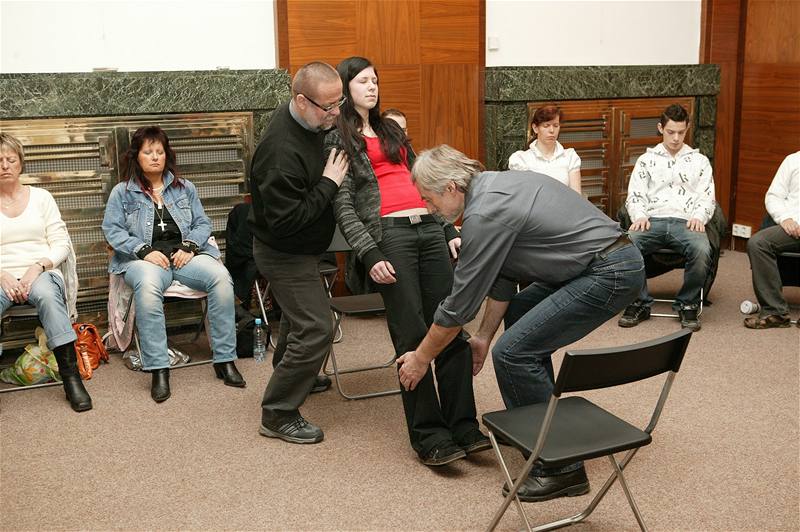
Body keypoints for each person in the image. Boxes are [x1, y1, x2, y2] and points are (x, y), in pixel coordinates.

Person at [396, 144, 644, 501]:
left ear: (451, 187)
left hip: (610, 271)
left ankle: (563, 469)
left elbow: (458, 308)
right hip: (598, 261)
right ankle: (540, 425)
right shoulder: (496, 185)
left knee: (513, 353)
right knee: (520, 315)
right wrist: (482, 336)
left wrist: (421, 358)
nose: (428, 208)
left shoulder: (485, 214)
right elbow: (502, 276)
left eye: (429, 199)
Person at [325, 57, 488, 466]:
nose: (372, 86)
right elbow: (343, 205)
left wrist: (449, 229)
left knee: (449, 322)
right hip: (389, 235)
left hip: (429, 228)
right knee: (412, 333)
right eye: (363, 81)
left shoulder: (391, 130)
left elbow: (426, 181)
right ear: (345, 87)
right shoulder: (337, 137)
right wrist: (370, 253)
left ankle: (464, 425)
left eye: (376, 80)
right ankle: (429, 435)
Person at [102, 126, 244, 403]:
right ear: (137, 156)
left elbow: (203, 223)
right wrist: (142, 250)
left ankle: (225, 360)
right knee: (148, 285)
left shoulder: (185, 188)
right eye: (148, 152)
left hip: (183, 257)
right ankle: (159, 368)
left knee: (221, 278)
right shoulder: (122, 192)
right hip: (144, 261)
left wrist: (190, 246)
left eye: (160, 151)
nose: (155, 157)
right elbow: (112, 230)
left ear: (167, 155)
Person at [249, 62, 349, 444]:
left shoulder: (308, 119)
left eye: (337, 102)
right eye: (328, 107)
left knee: (297, 318)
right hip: (282, 251)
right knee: (317, 328)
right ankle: (278, 411)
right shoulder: (279, 154)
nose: (335, 113)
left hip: (302, 248)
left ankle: (294, 372)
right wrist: (329, 182)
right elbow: (288, 223)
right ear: (301, 101)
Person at [0, 133, 91, 412]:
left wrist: (38, 266)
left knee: (50, 298)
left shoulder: (42, 198)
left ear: (20, 163)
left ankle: (71, 378)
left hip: (39, 272)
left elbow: (61, 243)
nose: (4, 165)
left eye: (10, 159)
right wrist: (2, 274)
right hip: (1, 276)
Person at [617, 103, 715, 331]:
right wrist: (639, 215)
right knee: (627, 245)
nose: (676, 138)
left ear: (687, 128)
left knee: (702, 250)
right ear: (660, 128)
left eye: (681, 132)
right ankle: (639, 302)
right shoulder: (646, 160)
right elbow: (635, 194)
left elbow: (708, 196)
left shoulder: (699, 161)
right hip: (652, 220)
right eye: (671, 132)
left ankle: (688, 303)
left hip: (686, 221)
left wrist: (700, 215)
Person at [745, 151, 800, 328]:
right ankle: (774, 311)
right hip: (792, 225)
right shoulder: (792, 161)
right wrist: (785, 218)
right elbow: (773, 196)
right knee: (758, 243)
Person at [507, 104, 582, 194]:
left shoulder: (570, 157)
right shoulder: (521, 159)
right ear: (535, 128)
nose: (552, 130)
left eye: (556, 125)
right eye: (546, 126)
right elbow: (521, 197)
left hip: (563, 206)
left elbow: (576, 197)